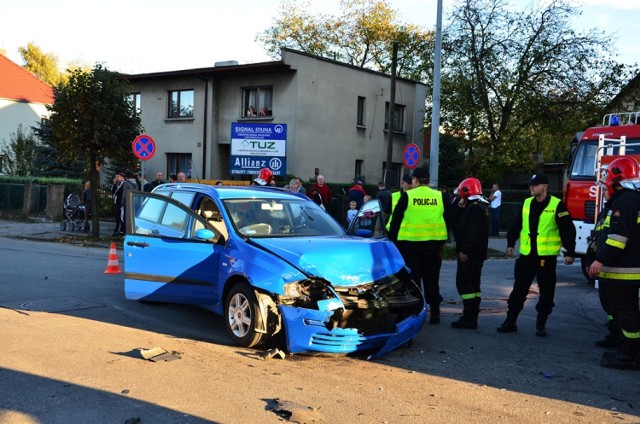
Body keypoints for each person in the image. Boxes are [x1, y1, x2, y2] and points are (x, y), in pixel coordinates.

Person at [497, 174, 576, 337]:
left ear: (544, 186)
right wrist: (510, 243)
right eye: (530, 185)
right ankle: (510, 321)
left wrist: (569, 251)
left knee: (546, 292)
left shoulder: (557, 205)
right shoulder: (527, 203)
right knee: (518, 290)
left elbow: (568, 230)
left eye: (534, 185)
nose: (531, 188)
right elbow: (516, 225)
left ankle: (541, 324)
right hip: (526, 256)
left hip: (545, 258)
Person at [588, 157, 640, 370]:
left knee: (626, 314)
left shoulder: (625, 200)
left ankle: (629, 357)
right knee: (625, 312)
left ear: (616, 179)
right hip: (624, 269)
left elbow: (619, 238)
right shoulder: (630, 199)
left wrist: (600, 259)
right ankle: (626, 350)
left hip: (623, 271)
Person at [388, 167, 452, 324]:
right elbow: (449, 218)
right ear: (428, 180)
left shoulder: (408, 196)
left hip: (410, 245)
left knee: (414, 280)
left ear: (415, 180)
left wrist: (392, 242)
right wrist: (444, 240)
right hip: (434, 246)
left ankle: (415, 312)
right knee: (432, 279)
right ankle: (435, 312)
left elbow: (395, 220)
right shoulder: (439, 196)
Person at [451, 177, 490, 329]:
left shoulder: (474, 208)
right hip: (476, 254)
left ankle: (469, 317)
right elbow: (459, 224)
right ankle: (471, 316)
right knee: (474, 285)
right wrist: (460, 208)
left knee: (465, 284)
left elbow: (472, 233)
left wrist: (464, 250)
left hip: (470, 254)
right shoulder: (478, 206)